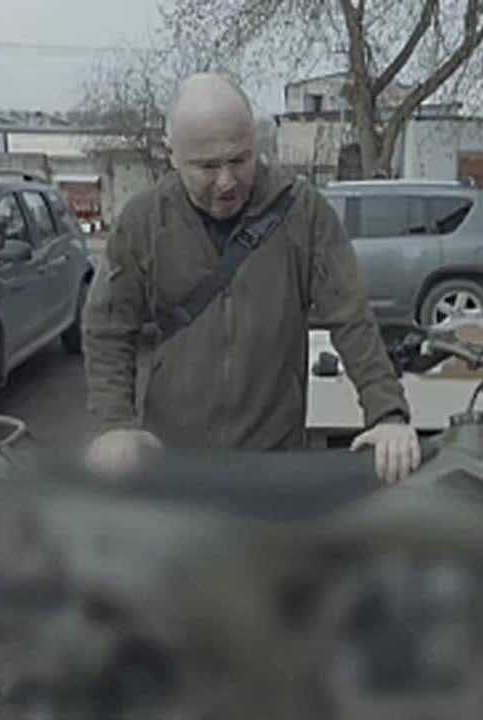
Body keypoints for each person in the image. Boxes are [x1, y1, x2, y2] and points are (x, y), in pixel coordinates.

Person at [81, 72, 421, 483]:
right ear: (171, 154)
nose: (226, 182)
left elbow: (352, 318)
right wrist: (115, 424)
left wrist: (387, 415)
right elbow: (108, 328)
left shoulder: (303, 214)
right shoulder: (143, 222)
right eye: (207, 166)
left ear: (256, 142)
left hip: (272, 465)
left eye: (239, 160)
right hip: (175, 466)